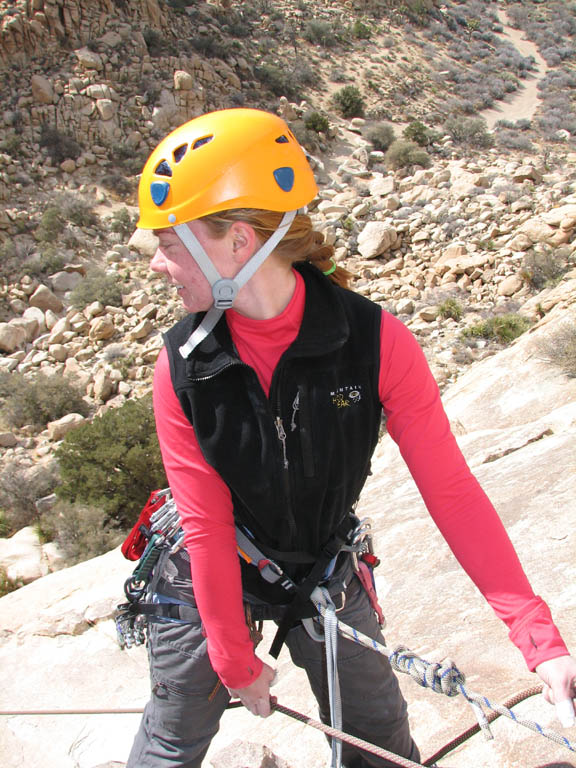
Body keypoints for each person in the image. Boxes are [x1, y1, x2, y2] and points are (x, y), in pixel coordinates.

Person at [127, 107, 576, 768]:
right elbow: (206, 528)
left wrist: (541, 642)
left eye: (171, 242)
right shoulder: (184, 369)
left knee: (381, 745)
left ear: (239, 242)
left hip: (322, 565)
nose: (159, 264)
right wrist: (231, 658)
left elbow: (451, 491)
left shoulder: (372, 343)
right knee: (171, 742)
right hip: (211, 574)